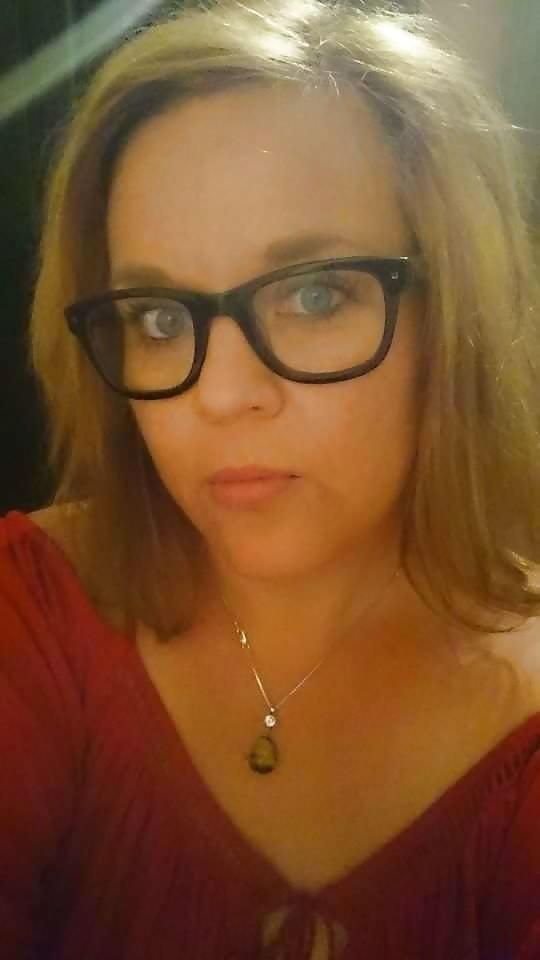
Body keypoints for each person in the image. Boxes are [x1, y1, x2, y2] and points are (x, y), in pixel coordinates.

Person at [2, 0, 540, 955]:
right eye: (158, 317)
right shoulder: (32, 610)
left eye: (315, 295)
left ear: (451, 318)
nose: (219, 395)